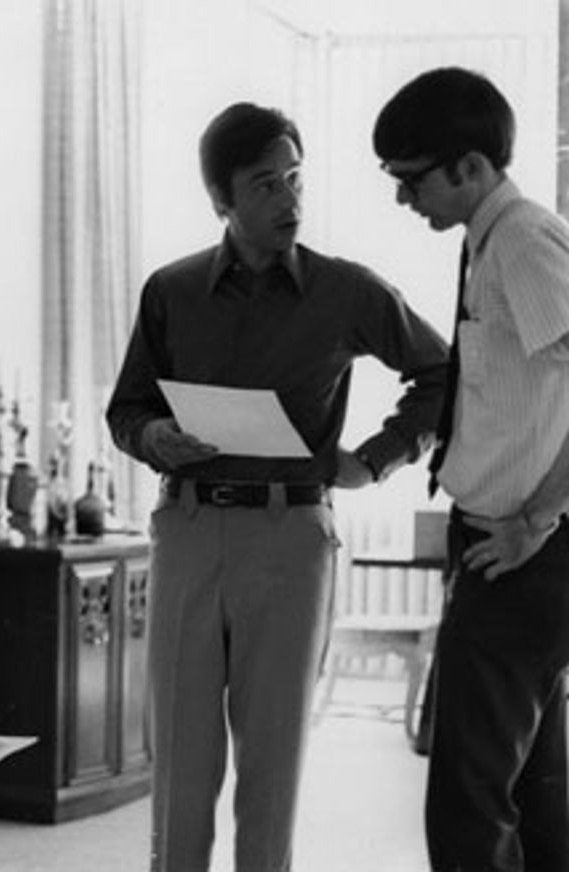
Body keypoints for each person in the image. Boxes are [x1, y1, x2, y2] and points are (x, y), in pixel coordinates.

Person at [106, 102, 448, 872]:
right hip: (188, 532)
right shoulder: (172, 290)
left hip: (291, 540)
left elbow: (442, 372)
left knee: (273, 766)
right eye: (265, 185)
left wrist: (377, 458)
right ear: (221, 201)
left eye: (295, 179)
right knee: (181, 773)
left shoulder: (347, 291)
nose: (289, 200)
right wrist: (153, 435)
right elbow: (126, 408)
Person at [374, 67, 569, 872]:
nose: (403, 201)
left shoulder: (522, 240)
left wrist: (539, 519)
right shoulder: (488, 244)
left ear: (471, 167)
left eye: (411, 180)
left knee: (469, 800)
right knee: (532, 790)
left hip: (519, 553)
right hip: (507, 550)